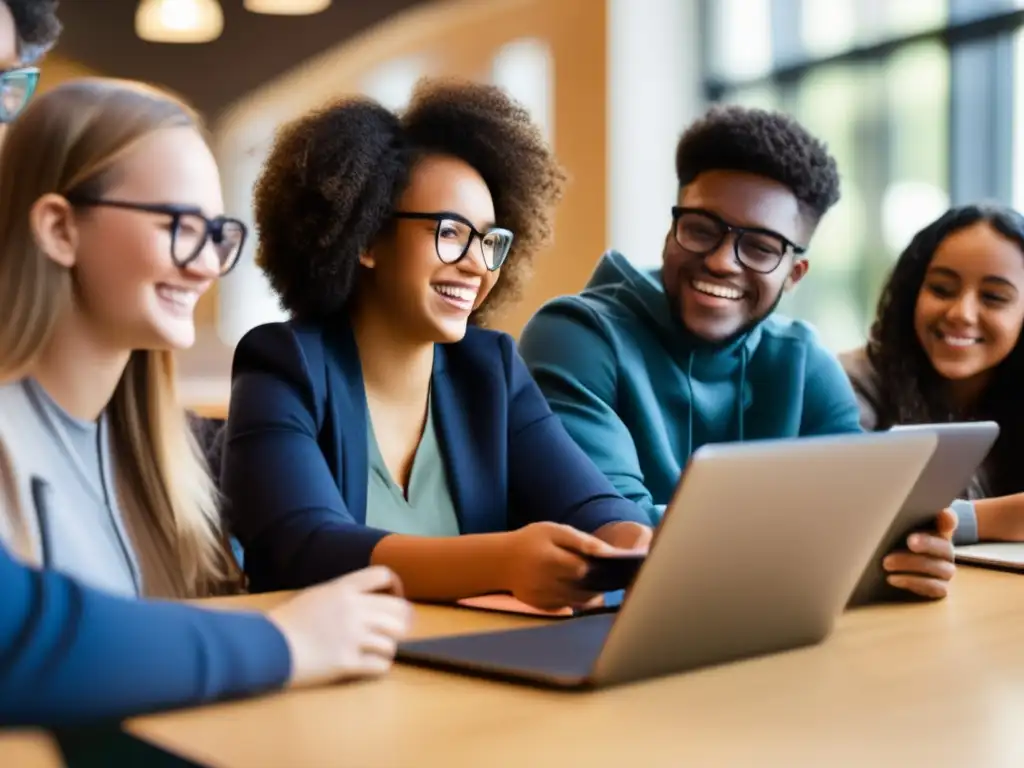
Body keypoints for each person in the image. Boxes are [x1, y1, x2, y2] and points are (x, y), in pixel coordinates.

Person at [0, 4, 409, 724]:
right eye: (180, 228)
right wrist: (283, 641)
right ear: (60, 227)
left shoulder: (170, 459)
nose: (206, 268)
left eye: (217, 233)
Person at [221, 78, 652, 610]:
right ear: (368, 239)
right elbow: (306, 547)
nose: (476, 264)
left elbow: (591, 504)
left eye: (491, 241)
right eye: (450, 233)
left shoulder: (489, 370)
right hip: (326, 674)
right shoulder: (283, 365)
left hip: (466, 666)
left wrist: (630, 543)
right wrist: (502, 561)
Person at [517, 104, 956, 599]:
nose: (722, 261)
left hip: (761, 620)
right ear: (671, 230)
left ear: (794, 275)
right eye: (701, 228)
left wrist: (907, 551)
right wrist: (822, 532)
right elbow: (621, 529)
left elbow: (857, 513)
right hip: (599, 625)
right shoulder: (575, 336)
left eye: (762, 247)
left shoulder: (805, 362)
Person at [842, 203, 1024, 548]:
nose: (961, 313)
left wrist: (947, 522)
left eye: (994, 297)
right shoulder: (850, 383)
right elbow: (853, 517)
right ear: (913, 293)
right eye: (941, 289)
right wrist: (981, 520)